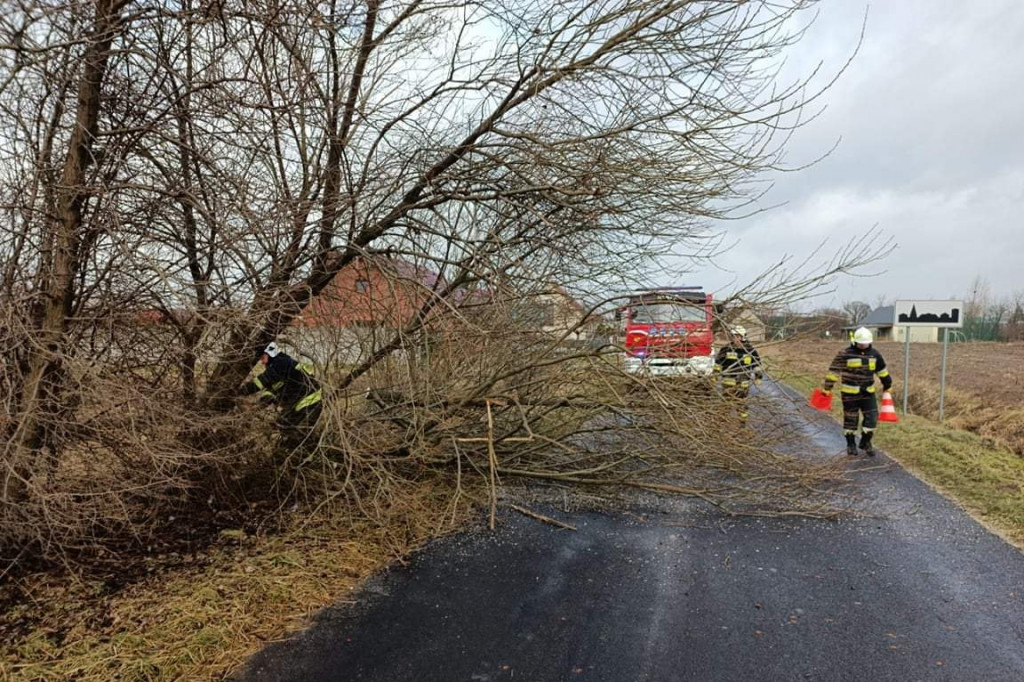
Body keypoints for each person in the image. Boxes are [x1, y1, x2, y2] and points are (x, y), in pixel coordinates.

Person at [822, 326, 893, 456]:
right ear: (855, 341)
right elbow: (834, 372)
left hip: (868, 393)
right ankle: (851, 444)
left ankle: (865, 442)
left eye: (866, 343)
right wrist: (827, 388)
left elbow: (882, 371)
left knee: (872, 418)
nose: (863, 345)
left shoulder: (875, 354)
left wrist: (887, 384)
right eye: (861, 343)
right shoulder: (845, 354)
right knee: (851, 420)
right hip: (849, 395)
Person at [242, 342, 323, 448]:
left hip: (309, 402)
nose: (261, 362)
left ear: (270, 354)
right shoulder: (282, 365)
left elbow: (262, 381)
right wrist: (256, 406)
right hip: (303, 401)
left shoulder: (280, 363)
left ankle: (298, 457)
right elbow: (271, 392)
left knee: (296, 434)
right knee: (284, 427)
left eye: (262, 357)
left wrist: (240, 391)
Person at [714, 325, 763, 420]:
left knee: (741, 404)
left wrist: (758, 377)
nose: (735, 338)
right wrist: (715, 375)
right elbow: (718, 363)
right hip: (728, 382)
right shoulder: (726, 348)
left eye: (737, 336)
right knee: (725, 402)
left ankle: (742, 424)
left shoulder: (750, 350)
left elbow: (756, 365)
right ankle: (721, 423)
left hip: (743, 383)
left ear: (743, 337)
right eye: (733, 336)